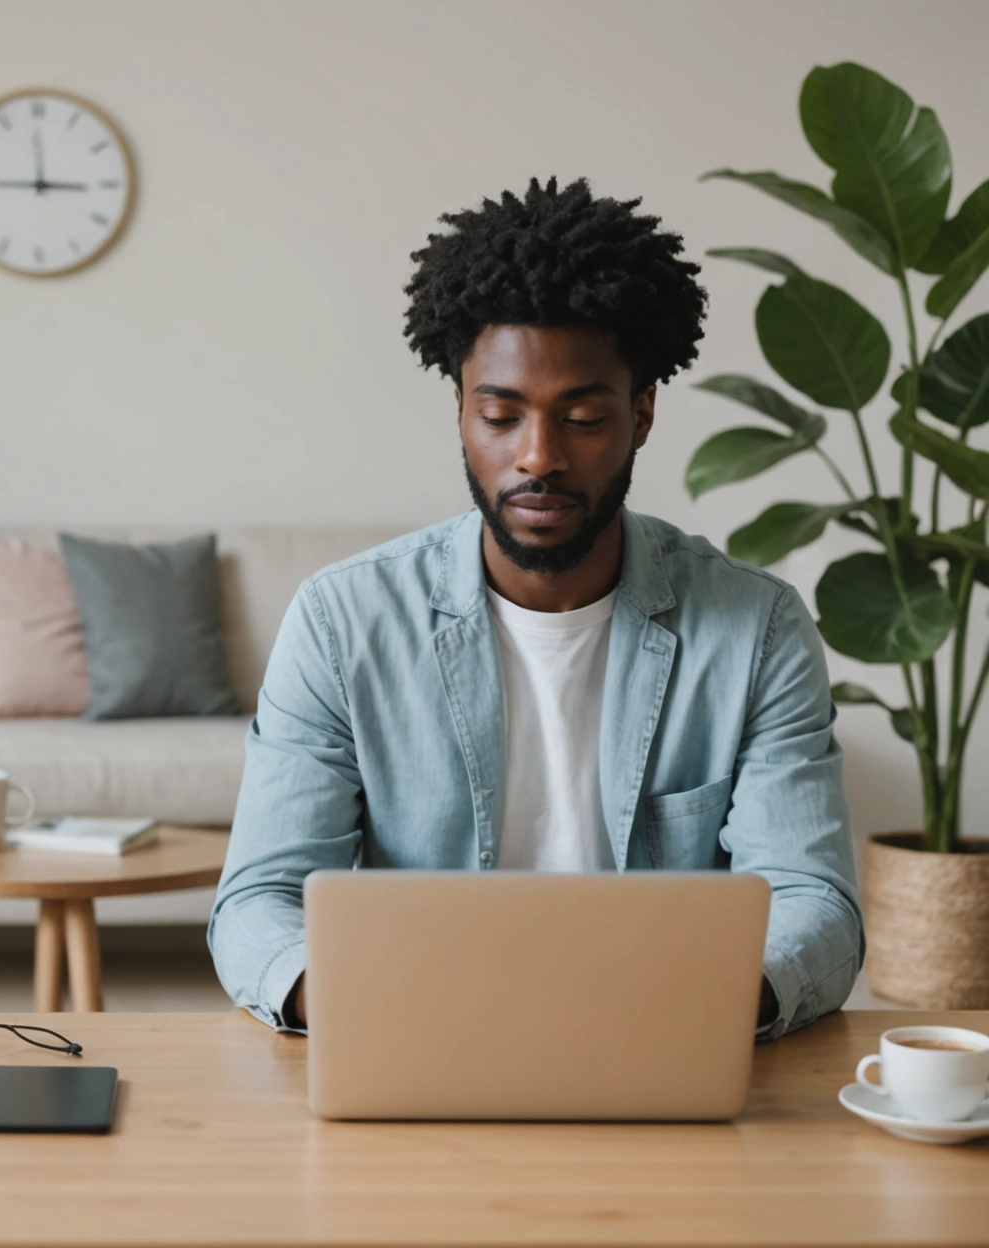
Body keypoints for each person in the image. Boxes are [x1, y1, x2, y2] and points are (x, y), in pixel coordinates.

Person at [208, 178, 862, 1042]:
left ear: (642, 414)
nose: (538, 457)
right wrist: (359, 1001)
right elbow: (260, 899)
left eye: (584, 417)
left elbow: (813, 899)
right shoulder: (340, 623)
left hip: (659, 1048)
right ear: (460, 413)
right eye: (500, 415)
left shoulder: (758, 629)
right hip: (421, 1044)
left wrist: (703, 1003)